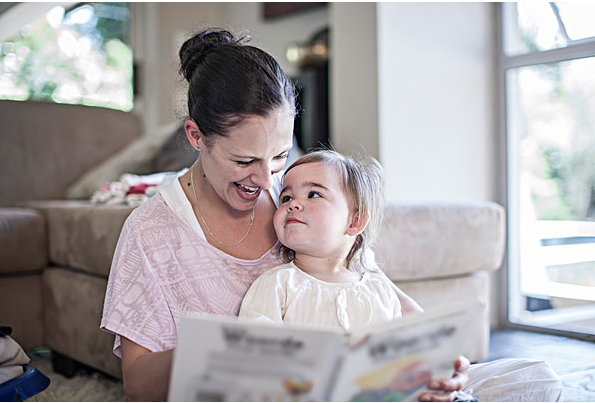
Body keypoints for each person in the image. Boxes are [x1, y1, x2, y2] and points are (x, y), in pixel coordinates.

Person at [100, 28, 561, 402]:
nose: (266, 181)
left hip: (365, 390)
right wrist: (223, 351)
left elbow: (380, 294)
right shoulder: (151, 231)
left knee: (533, 379)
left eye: (279, 155)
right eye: (244, 162)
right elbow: (138, 384)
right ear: (196, 136)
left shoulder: (299, 197)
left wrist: (437, 366)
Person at [239, 150, 424, 331]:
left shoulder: (379, 290)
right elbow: (255, 349)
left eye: (313, 194)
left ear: (355, 221)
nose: (293, 204)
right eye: (286, 198)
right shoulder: (276, 285)